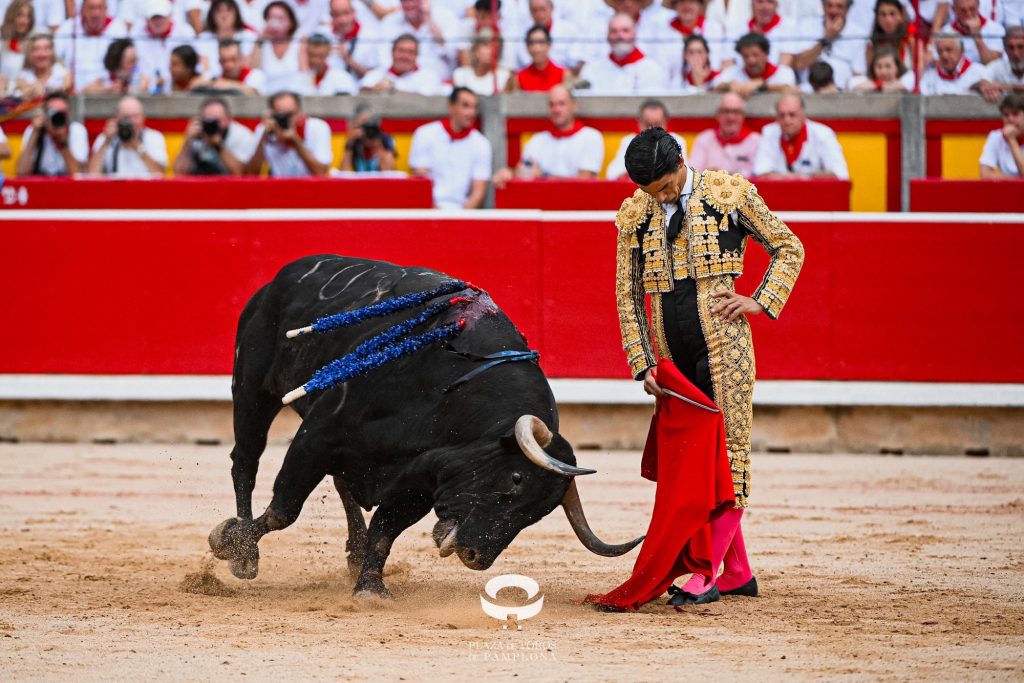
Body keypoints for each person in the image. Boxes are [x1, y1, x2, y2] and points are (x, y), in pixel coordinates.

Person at [593, 125, 803, 609]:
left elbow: (789, 246)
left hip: (725, 345)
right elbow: (627, 294)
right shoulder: (635, 215)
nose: (662, 197)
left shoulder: (729, 194)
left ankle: (705, 572)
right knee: (691, 463)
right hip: (671, 356)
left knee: (728, 456)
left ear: (681, 162)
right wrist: (642, 361)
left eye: (667, 187)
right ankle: (737, 571)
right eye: (653, 192)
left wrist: (760, 299)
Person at [492, 84, 604, 184]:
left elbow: (583, 183)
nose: (556, 109)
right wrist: (509, 174)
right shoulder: (537, 140)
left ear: (573, 106)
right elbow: (524, 171)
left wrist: (542, 177)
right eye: (552, 105)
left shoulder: (591, 137)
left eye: (561, 104)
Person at [408, 87, 493, 209]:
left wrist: (460, 220)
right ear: (451, 107)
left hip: (463, 213)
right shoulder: (425, 134)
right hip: (428, 211)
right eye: (466, 106)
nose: (472, 113)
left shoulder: (482, 143)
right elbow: (420, 183)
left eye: (474, 107)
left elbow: (478, 190)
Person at [754, 93, 848, 178]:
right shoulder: (769, 132)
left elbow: (840, 175)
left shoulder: (823, 134)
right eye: (782, 115)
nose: (787, 120)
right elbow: (760, 174)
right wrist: (801, 178)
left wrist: (799, 178)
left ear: (803, 114)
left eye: (792, 115)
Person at [244, 91, 333, 176]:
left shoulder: (317, 127)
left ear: (300, 113)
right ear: (272, 114)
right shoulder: (264, 130)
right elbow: (251, 173)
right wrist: (264, 138)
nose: (285, 119)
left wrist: (295, 140)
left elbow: (321, 172)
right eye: (280, 115)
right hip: (278, 187)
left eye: (290, 114)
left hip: (311, 188)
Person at [577, 12, 667, 95]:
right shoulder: (592, 69)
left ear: (635, 34)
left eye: (625, 31)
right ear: (607, 36)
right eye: (614, 31)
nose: (620, 36)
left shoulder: (652, 70)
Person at [87, 95, 168, 177]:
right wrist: (106, 142)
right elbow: (92, 173)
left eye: (135, 117)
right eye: (126, 117)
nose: (131, 122)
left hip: (145, 188)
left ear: (143, 118)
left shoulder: (153, 137)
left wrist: (138, 147)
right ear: (117, 118)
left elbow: (160, 173)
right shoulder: (104, 138)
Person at [376, 0, 459, 80]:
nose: (409, 5)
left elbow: (451, 53)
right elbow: (384, 59)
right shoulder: (390, 21)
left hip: (438, 86)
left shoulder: (446, 17)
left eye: (414, 0)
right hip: (398, 83)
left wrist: (428, 18)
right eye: (404, 1)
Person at [172, 96, 255, 176]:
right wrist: (187, 141)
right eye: (208, 120)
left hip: (228, 185)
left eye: (217, 120)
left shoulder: (240, 135)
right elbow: (179, 172)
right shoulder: (197, 132)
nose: (212, 125)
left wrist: (218, 146)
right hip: (199, 183)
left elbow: (240, 173)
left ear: (229, 119)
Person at [54, 0, 128, 89]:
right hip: (73, 92)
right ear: (82, 10)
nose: (96, 14)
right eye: (91, 8)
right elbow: (54, 59)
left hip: (107, 92)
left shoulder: (118, 28)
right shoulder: (68, 27)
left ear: (106, 10)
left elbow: (126, 63)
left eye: (100, 8)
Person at [606, 99, 687, 180]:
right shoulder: (629, 141)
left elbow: (685, 175)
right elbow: (611, 175)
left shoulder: (676, 140)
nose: (652, 130)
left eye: (658, 125)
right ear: (639, 122)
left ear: (666, 122)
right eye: (647, 124)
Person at [793, 0, 866, 89]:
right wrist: (826, 39)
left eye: (839, 7)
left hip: (842, 91)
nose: (833, 11)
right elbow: (799, 64)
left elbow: (858, 73)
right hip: (811, 87)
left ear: (847, 9)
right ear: (823, 6)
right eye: (829, 5)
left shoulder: (858, 33)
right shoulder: (806, 26)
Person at [15, 91, 88, 176]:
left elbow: (76, 173)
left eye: (61, 113)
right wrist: (35, 133)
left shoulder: (76, 130)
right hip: (41, 182)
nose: (56, 117)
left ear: (68, 115)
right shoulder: (34, 130)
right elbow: (22, 172)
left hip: (67, 183)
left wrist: (63, 142)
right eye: (53, 112)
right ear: (45, 114)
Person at [689, 91, 760, 176]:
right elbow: (692, 173)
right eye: (726, 111)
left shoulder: (755, 141)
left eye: (736, 112)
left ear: (743, 115)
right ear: (717, 114)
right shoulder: (704, 138)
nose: (731, 117)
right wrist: (708, 173)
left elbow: (757, 175)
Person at [130, 0, 193, 92]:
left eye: (161, 17)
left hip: (177, 88)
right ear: (146, 20)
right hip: (145, 88)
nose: (158, 22)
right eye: (153, 18)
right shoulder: (136, 33)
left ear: (170, 16)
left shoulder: (185, 31)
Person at [359, 33, 444, 94]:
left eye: (410, 52)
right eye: (401, 51)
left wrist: (392, 91)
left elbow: (425, 101)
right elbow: (361, 95)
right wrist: (373, 90)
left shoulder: (429, 76)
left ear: (416, 55)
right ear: (392, 52)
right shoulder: (375, 75)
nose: (405, 56)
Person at [716, 31, 797, 95]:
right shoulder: (733, 72)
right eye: (746, 56)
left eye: (755, 55)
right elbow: (716, 87)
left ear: (766, 54)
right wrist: (729, 85)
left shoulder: (783, 72)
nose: (751, 60)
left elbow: (790, 90)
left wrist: (761, 85)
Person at [514, 0, 585, 72]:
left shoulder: (570, 31)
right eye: (535, 10)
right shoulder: (523, 34)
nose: (539, 14)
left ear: (552, 8)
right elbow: (524, 61)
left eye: (542, 9)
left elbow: (576, 61)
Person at [251, 1, 304, 96]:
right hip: (267, 97)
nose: (275, 23)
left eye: (281, 19)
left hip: (294, 97)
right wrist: (261, 39)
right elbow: (253, 69)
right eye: (270, 18)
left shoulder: (299, 43)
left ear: (291, 22)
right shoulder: (262, 44)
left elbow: (304, 75)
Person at [195, 0, 259, 78]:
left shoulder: (248, 36)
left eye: (229, 10)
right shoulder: (204, 38)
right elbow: (202, 68)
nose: (224, 15)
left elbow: (248, 65)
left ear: (236, 14)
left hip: (241, 82)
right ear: (212, 15)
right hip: (211, 84)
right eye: (219, 11)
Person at [867, 0, 921, 86]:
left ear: (901, 15)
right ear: (877, 17)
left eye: (892, 14)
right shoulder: (872, 42)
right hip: (881, 87)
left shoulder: (911, 34)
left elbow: (919, 68)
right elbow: (871, 73)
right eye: (883, 15)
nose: (888, 20)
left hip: (905, 85)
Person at [326, 0, 381, 79]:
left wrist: (348, 59)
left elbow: (373, 77)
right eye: (336, 14)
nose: (342, 20)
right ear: (331, 15)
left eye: (346, 13)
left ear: (354, 12)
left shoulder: (369, 37)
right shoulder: (325, 36)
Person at [919, 33, 987, 94]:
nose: (944, 56)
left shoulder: (979, 72)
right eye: (940, 51)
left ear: (961, 50)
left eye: (949, 50)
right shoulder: (930, 75)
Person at [943, 0, 1004, 66]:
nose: (968, 14)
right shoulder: (945, 32)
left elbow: (993, 65)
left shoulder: (995, 29)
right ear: (954, 9)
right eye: (963, 10)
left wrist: (977, 37)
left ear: (978, 6)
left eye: (972, 9)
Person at [452, 29, 512, 94]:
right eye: (486, 45)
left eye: (496, 47)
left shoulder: (504, 76)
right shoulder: (460, 75)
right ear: (475, 49)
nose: (492, 51)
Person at [82, 38, 151, 93]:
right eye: (131, 61)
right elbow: (85, 91)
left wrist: (129, 90)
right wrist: (107, 90)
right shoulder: (105, 77)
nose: (135, 65)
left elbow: (143, 86)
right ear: (117, 62)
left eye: (136, 60)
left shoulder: (139, 77)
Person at [13, 33, 72, 98]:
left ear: (52, 52)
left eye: (46, 49)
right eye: (36, 49)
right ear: (29, 54)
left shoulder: (64, 74)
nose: (41, 54)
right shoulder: (23, 76)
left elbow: (66, 95)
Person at [979, 94, 1024, 178]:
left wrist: (1012, 140)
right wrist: (1016, 182)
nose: (1010, 119)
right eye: (1006, 115)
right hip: (1007, 190)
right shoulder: (995, 136)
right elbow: (985, 174)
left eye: (1015, 114)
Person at [514, 24, 567, 91]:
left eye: (541, 42)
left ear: (549, 45)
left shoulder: (563, 76)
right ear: (527, 47)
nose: (536, 48)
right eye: (531, 43)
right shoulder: (518, 79)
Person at [977, 26, 1024, 103]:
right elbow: (983, 83)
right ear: (1005, 49)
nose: (1015, 53)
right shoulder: (996, 65)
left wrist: (1004, 87)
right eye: (1011, 48)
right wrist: (988, 89)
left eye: (1021, 47)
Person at [849, 46, 915, 92]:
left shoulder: (908, 76)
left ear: (897, 67)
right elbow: (855, 86)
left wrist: (876, 85)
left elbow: (903, 86)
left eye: (888, 66)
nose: (883, 71)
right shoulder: (866, 79)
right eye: (879, 66)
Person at [0, 0, 33, 88]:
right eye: (20, 16)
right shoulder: (2, 39)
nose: (25, 21)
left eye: (28, 17)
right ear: (11, 17)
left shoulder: (34, 41)